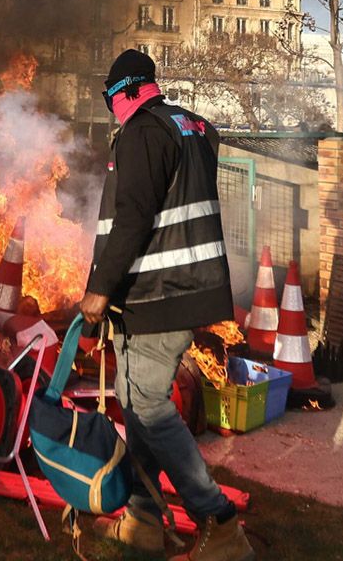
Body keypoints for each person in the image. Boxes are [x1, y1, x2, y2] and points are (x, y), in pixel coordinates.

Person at [83, 50, 252, 560]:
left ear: (131, 91)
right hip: (185, 289)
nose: (112, 110)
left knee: (149, 406)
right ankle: (143, 519)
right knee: (135, 401)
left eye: (112, 99)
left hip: (157, 294)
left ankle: (219, 520)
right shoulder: (194, 128)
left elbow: (134, 215)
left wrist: (100, 288)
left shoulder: (141, 131)